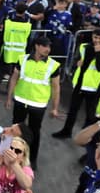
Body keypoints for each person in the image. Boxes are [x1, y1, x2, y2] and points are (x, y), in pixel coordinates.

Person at [5, 35, 61, 168]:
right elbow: (14, 78)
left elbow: (56, 87)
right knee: (13, 130)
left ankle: (31, 160)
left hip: (38, 104)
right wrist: (9, 97)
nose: (48, 49)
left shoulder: (53, 65)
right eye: (45, 46)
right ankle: (6, 154)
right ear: (37, 46)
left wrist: (55, 107)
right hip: (20, 100)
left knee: (35, 132)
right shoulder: (22, 59)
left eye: (49, 47)